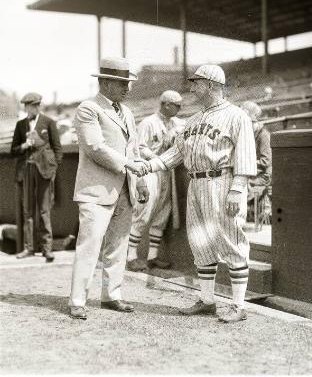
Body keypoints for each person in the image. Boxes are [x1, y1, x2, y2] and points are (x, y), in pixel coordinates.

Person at [145, 64, 257, 323]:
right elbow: (176, 153)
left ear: (212, 85)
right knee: (200, 242)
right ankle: (207, 301)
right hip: (196, 184)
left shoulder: (236, 115)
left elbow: (245, 156)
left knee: (231, 240)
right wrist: (149, 166)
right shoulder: (194, 119)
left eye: (197, 83)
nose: (193, 87)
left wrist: (237, 189)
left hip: (223, 181)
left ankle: (239, 306)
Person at [69, 57, 149, 320]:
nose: (127, 88)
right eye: (122, 83)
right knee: (89, 246)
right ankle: (78, 300)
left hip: (125, 187)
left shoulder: (125, 111)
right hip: (96, 190)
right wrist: (129, 165)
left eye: (128, 83)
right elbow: (94, 147)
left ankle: (111, 295)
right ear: (104, 82)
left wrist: (141, 181)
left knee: (119, 245)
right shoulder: (88, 108)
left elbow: (133, 148)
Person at [127, 90, 185, 272]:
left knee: (162, 212)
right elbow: (139, 147)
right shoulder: (148, 122)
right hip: (150, 170)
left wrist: (176, 135)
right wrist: (156, 160)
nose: (179, 108)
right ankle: (131, 256)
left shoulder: (176, 123)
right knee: (144, 210)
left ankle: (152, 256)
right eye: (176, 105)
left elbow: (187, 131)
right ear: (165, 104)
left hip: (167, 173)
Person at [11, 92, 63, 262]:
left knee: (44, 211)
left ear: (38, 106)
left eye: (34, 106)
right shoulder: (20, 125)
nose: (31, 109)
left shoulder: (48, 122)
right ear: (25, 107)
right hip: (26, 170)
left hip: (44, 171)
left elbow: (57, 149)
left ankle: (47, 249)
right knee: (27, 212)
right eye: (28, 106)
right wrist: (24, 145)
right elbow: (13, 150)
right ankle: (29, 248)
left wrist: (53, 168)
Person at [241, 101, 272, 223]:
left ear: (255, 122)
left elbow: (266, 161)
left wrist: (246, 162)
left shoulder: (263, 135)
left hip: (262, 175)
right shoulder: (248, 135)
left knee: (239, 186)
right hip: (251, 172)